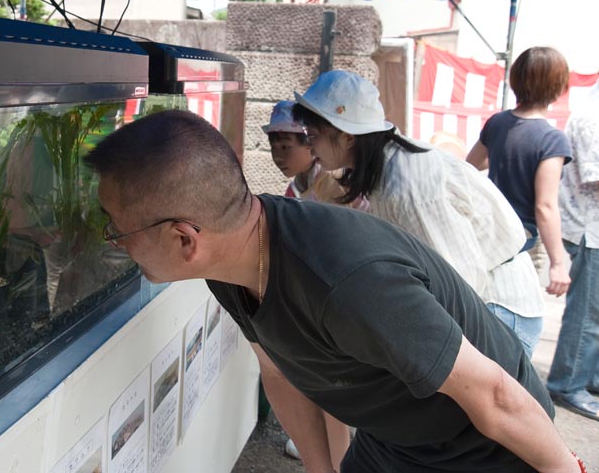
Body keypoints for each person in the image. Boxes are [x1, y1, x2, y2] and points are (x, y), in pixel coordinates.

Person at [84, 109, 581, 473]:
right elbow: (279, 369)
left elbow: (495, 395)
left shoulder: (348, 280)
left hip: (481, 449)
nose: (111, 241)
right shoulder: (230, 263)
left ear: (183, 239)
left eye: (117, 229)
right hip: (393, 438)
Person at [294, 70, 545, 357]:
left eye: (312, 135)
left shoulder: (408, 186)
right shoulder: (386, 173)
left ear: (347, 136)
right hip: (483, 308)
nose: (309, 145)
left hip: (499, 310)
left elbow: (459, 282)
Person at [264, 100, 352, 466]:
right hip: (314, 297)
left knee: (333, 390)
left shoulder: (331, 184)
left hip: (336, 298)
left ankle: (340, 457)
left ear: (310, 145)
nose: (278, 155)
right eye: (273, 146)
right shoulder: (295, 187)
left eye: (287, 146)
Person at [466, 46, 572, 297]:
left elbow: (470, 166)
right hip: (522, 240)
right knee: (518, 310)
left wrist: (507, 157)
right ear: (557, 86)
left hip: (489, 231)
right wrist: (558, 264)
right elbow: (545, 206)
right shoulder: (551, 139)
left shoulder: (497, 122)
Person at [546, 79, 599, 421]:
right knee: (587, 314)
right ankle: (568, 383)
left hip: (592, 227)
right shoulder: (590, 119)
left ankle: (588, 378)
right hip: (587, 228)